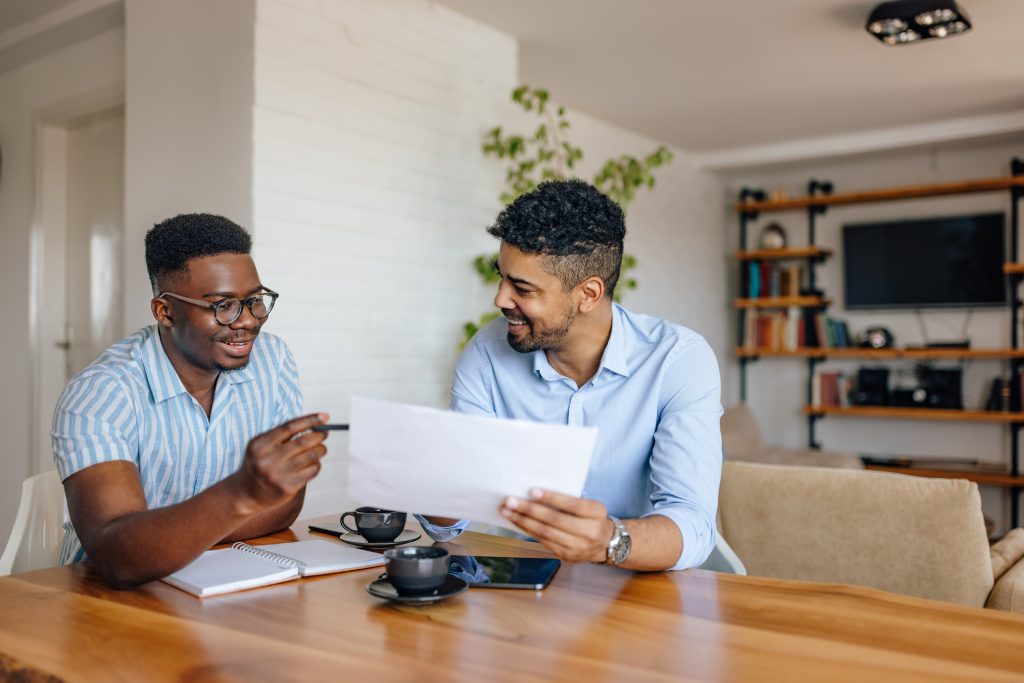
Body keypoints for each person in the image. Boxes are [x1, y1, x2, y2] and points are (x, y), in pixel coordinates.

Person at [420, 180, 722, 571]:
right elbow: (450, 524)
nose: (500, 299)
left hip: (644, 582)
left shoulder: (677, 360)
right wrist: (425, 481)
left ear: (589, 294)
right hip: (529, 583)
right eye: (502, 277)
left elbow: (693, 523)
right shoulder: (485, 354)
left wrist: (608, 540)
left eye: (522, 288)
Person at [52, 213, 329, 588]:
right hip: (106, 601)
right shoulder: (103, 392)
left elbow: (286, 502)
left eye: (254, 301)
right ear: (165, 312)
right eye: (222, 306)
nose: (247, 321)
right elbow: (117, 556)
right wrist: (244, 494)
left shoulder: (273, 361)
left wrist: (170, 540)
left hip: (223, 582)